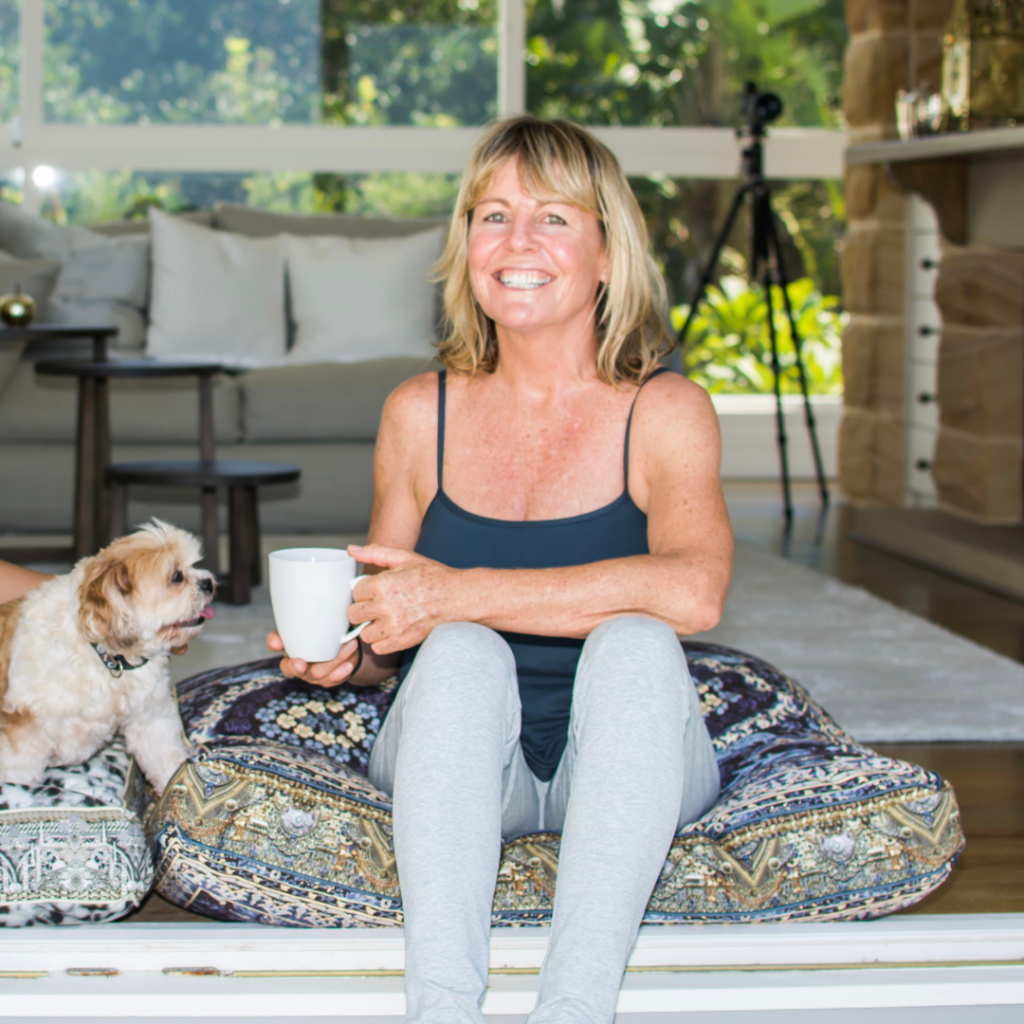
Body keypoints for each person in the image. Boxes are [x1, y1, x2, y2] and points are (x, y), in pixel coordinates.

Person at [268, 116, 733, 1024]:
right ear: (466, 246)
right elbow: (389, 639)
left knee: (639, 641)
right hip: (472, 759)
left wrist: (456, 594)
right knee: (458, 655)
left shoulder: (666, 409)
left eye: (554, 219)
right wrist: (347, 659)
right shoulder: (418, 412)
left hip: (630, 756)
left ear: (608, 252)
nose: (517, 244)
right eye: (492, 216)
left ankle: (575, 1009)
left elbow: (694, 592)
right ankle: (441, 1008)